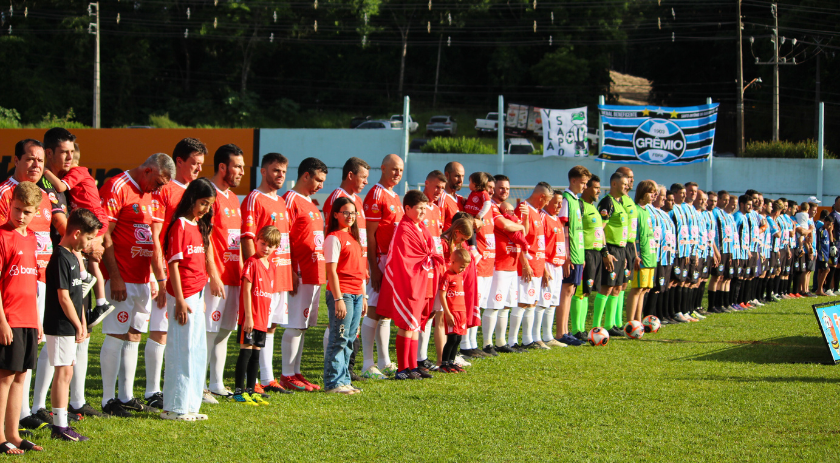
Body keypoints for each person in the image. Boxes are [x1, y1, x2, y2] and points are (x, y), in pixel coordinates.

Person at [98, 153, 174, 417]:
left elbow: (151, 240)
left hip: (143, 280)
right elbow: (105, 235)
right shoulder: (117, 186)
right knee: (116, 333)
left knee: (133, 334)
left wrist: (158, 278)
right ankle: (108, 399)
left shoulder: (150, 195)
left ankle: (126, 396)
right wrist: (115, 276)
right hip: (122, 278)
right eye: (160, 181)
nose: (161, 188)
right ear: (148, 170)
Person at [0, 139, 67, 430]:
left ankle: (22, 414)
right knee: (7, 363)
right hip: (12, 285)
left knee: (27, 357)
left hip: (37, 280)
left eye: (41, 160)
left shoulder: (45, 194)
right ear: (16, 160)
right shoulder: (5, 194)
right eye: (30, 159)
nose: (36, 165)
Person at [147, 137, 206, 409]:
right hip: (168, 274)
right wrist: (159, 277)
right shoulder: (164, 189)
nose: (197, 169)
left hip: (189, 277)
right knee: (160, 331)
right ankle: (152, 390)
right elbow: (155, 235)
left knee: (182, 335)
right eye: (193, 163)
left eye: (201, 165)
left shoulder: (198, 193)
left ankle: (187, 388)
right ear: (178, 161)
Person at [40, 128, 113, 330]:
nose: (70, 157)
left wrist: (91, 244)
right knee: (61, 333)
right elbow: (60, 224)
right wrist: (89, 247)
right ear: (49, 153)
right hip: (59, 262)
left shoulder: (73, 176)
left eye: (72, 152)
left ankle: (95, 292)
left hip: (74, 253)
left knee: (80, 333)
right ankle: (91, 286)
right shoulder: (46, 182)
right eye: (64, 152)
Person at [160, 178, 216, 421]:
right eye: (203, 203)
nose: (206, 209)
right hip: (182, 297)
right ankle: (174, 407)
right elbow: (173, 265)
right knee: (181, 350)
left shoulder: (198, 225)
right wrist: (181, 300)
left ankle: (191, 405)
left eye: (209, 205)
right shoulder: (180, 226)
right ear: (192, 199)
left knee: (197, 350)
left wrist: (201, 294)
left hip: (197, 294)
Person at [45, 208, 101, 441]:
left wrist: (82, 321)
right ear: (77, 233)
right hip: (60, 324)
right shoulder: (60, 256)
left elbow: (78, 294)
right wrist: (78, 324)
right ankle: (59, 426)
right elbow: (63, 297)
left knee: (67, 371)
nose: (89, 243)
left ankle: (62, 421)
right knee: (63, 372)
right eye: (88, 238)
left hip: (70, 323)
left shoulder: (73, 256)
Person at [241, 153, 293, 394]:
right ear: (263, 171)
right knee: (258, 326)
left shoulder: (282, 202)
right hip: (261, 276)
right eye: (275, 170)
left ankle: (268, 378)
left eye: (283, 171)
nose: (280, 175)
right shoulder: (254, 198)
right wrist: (256, 270)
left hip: (279, 274)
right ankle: (254, 381)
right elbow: (249, 238)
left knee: (271, 326)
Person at [0, 181, 46, 454]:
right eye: (17, 209)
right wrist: (2, 321)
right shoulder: (2, 236)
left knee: (20, 376)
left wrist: (36, 320)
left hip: (28, 318)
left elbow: (30, 284)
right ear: (9, 204)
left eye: (27, 212)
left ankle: (13, 434)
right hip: (9, 319)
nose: (20, 216)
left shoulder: (31, 238)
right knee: (4, 377)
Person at [376, 190, 439, 380]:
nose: (422, 212)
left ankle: (412, 366)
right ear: (407, 208)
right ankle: (403, 368)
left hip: (421, 280)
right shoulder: (404, 228)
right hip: (408, 281)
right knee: (406, 324)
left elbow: (429, 250)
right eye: (419, 208)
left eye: (424, 208)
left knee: (414, 325)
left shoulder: (420, 227)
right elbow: (405, 259)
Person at [280, 157, 328, 392]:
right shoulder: (290, 199)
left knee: (304, 325)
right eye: (318, 180)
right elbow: (282, 236)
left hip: (314, 271)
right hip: (299, 270)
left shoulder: (311, 202)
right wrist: (289, 269)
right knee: (295, 323)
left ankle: (296, 371)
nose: (321, 185)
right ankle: (286, 374)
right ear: (305, 175)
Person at [322, 157, 370, 381]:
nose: (350, 217)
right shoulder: (335, 236)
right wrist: (339, 297)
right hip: (342, 292)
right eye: (346, 213)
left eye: (353, 214)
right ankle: (334, 380)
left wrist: (363, 293)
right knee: (338, 336)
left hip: (356, 292)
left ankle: (345, 377)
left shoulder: (354, 236)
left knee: (349, 337)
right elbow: (331, 270)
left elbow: (359, 267)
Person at [204, 144, 245, 399]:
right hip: (215, 277)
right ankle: (200, 386)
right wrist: (213, 274)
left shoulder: (232, 197)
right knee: (208, 332)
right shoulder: (209, 193)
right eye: (237, 166)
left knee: (224, 332)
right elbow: (204, 237)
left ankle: (217, 383)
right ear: (223, 167)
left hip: (233, 275)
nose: (241, 171)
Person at [361, 154, 404, 378]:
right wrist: (374, 267)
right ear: (383, 168)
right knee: (375, 310)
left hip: (393, 261)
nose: (397, 174)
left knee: (386, 312)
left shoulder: (395, 196)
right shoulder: (376, 193)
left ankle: (384, 360)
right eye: (394, 169)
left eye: (401, 171)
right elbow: (370, 235)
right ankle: (367, 364)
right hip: (380, 259)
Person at [234, 226, 280, 405]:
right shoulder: (252, 262)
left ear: (275, 248)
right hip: (250, 317)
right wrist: (248, 317)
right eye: (263, 243)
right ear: (256, 242)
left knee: (256, 355)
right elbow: (246, 289)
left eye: (270, 245)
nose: (266, 248)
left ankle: (251, 390)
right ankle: (239, 391)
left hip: (262, 318)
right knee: (245, 352)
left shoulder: (272, 266)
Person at [509, 183, 551, 350]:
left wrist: (544, 268)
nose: (547, 204)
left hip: (538, 265)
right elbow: (517, 239)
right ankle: (512, 340)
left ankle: (528, 340)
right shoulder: (523, 209)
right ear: (541, 197)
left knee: (532, 302)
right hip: (527, 265)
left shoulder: (537, 212)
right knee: (523, 302)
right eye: (547, 200)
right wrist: (524, 263)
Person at [417, 171, 448, 370]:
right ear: (426, 183)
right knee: (421, 312)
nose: (438, 192)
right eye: (436, 187)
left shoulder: (437, 209)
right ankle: (415, 358)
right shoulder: (418, 206)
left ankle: (422, 355)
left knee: (432, 312)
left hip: (436, 266)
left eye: (442, 189)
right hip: (421, 267)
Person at [557, 166, 591, 343]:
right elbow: (563, 229)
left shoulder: (577, 201)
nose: (585, 187)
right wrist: (566, 255)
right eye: (583, 183)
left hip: (578, 254)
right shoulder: (566, 200)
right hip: (569, 255)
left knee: (571, 291)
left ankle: (566, 330)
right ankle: (560, 333)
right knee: (565, 291)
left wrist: (581, 256)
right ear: (573, 181)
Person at [593, 172, 629, 337]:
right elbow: (601, 229)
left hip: (621, 250)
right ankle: (596, 326)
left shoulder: (620, 203)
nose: (627, 186)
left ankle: (610, 324)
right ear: (614, 184)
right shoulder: (608, 202)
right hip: (611, 250)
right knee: (606, 288)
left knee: (617, 288)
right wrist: (605, 252)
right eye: (623, 184)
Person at [571, 176, 604, 341]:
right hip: (586, 254)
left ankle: (583, 328)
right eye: (596, 187)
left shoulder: (593, 207)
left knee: (586, 293)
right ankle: (577, 329)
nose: (599, 191)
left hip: (596, 253)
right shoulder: (580, 206)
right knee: (579, 293)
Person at [537, 189, 566, 347]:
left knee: (553, 301)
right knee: (543, 301)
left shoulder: (558, 219)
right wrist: (543, 268)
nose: (559, 205)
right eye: (556, 202)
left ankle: (548, 336)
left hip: (558, 265)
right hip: (547, 264)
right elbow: (539, 243)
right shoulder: (542, 217)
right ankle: (537, 336)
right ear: (547, 201)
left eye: (561, 202)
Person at [626, 180, 657, 322]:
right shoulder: (635, 210)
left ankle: (639, 320)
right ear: (643, 193)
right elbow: (632, 235)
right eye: (651, 192)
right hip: (641, 256)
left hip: (650, 255)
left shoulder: (647, 211)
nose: (654, 195)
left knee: (644, 289)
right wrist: (635, 255)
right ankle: (631, 321)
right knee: (637, 289)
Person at [438, 248, 471, 373]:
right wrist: (447, 313)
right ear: (452, 262)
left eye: (465, 267)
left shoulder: (459, 275)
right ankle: (444, 363)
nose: (463, 269)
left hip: (461, 311)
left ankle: (452, 362)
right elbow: (442, 294)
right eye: (461, 266)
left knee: (458, 338)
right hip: (452, 312)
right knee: (451, 338)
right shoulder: (447, 276)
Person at [440, 162, 466, 230]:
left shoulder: (462, 199)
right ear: (447, 175)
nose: (461, 180)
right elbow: (439, 229)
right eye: (457, 176)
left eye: (462, 176)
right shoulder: (441, 198)